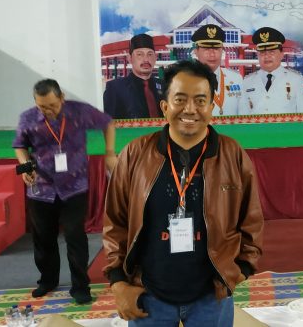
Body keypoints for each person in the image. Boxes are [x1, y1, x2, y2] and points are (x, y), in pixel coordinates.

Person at [103, 60, 263, 326]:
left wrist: (240, 270)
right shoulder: (135, 154)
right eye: (180, 99)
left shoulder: (232, 155)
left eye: (200, 101)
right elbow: (115, 223)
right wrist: (118, 283)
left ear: (211, 107)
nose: (190, 109)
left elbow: (252, 220)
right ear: (165, 106)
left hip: (212, 296)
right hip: (148, 294)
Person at [13, 79, 116, 304]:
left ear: (62, 98)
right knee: (43, 237)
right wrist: (25, 166)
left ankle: (80, 286)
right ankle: (47, 280)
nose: (48, 111)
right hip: (41, 187)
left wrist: (109, 152)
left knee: (74, 235)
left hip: (74, 186)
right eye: (42, 106)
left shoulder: (79, 111)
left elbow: (108, 123)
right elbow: (20, 145)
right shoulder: (28, 118)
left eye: (52, 105)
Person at [239, 27, 303, 115]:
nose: (266, 56)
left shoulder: (295, 79)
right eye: (262, 53)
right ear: (257, 55)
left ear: (281, 55)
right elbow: (243, 115)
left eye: (271, 52)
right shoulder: (247, 81)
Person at [103, 33, 163, 119]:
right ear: (130, 58)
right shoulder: (115, 88)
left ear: (155, 58)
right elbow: (107, 124)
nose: (146, 59)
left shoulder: (165, 86)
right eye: (140, 54)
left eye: (150, 54)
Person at [191, 24, 243, 116]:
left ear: (222, 50)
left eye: (216, 48)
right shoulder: (186, 81)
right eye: (206, 48)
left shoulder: (236, 79)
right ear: (196, 51)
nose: (212, 54)